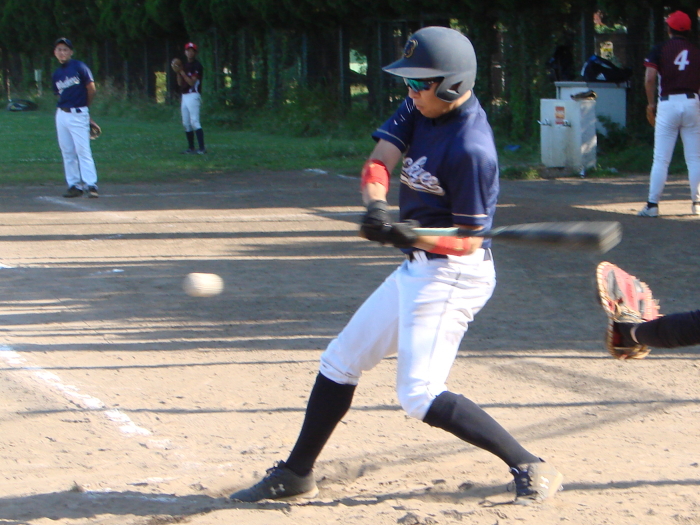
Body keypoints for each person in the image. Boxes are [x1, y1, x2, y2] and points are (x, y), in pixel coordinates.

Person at [229, 26, 563, 506]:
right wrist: (378, 208)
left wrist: (411, 234)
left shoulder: (471, 150)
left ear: (451, 84)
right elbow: (381, 159)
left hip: (454, 274)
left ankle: (530, 464)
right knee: (340, 360)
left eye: (419, 82)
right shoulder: (419, 107)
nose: (410, 91)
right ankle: (296, 473)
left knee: (419, 394)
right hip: (419, 266)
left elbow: (468, 241)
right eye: (408, 81)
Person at [638, 10, 700, 218]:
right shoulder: (696, 51)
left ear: (669, 29)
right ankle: (697, 204)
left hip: (668, 103)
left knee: (661, 159)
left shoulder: (660, 49)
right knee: (695, 158)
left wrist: (650, 105)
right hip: (692, 102)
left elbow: (649, 79)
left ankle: (652, 205)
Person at [52, 37, 99, 198]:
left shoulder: (79, 67)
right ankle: (74, 185)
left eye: (65, 49)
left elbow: (91, 88)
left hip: (78, 113)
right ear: (55, 52)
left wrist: (85, 109)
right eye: (59, 49)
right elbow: (60, 95)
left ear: (71, 52)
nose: (62, 52)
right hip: (61, 114)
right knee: (67, 151)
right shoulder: (56, 73)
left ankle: (91, 184)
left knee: (82, 150)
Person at [172, 42, 205, 154]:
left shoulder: (197, 65)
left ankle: (202, 148)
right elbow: (180, 83)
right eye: (188, 50)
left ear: (195, 53)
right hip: (185, 96)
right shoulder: (185, 66)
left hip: (193, 94)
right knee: (186, 123)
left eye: (192, 51)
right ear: (185, 52)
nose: (190, 53)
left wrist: (181, 71)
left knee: (194, 121)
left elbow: (191, 82)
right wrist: (177, 72)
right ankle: (191, 148)